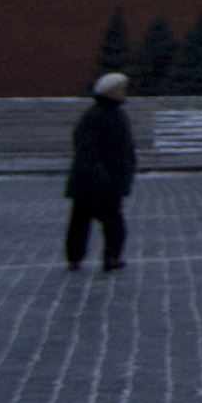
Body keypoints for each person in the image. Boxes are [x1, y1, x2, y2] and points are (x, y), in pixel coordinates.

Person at [66, 73, 137, 272]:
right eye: (119, 89)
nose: (122, 92)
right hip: (89, 184)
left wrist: (126, 173)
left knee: (114, 224)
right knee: (81, 222)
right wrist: (98, 176)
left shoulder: (120, 115)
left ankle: (111, 257)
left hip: (111, 182)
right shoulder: (92, 116)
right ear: (108, 91)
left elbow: (126, 149)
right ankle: (75, 257)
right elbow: (85, 150)